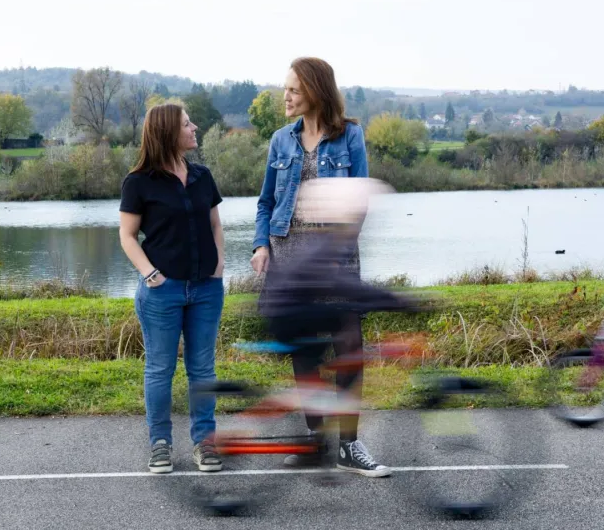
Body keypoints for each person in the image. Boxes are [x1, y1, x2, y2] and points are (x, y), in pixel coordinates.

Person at [250, 57, 386, 475]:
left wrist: (335, 249)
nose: (285, 96)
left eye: (293, 89)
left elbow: (358, 201)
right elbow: (266, 202)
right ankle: (315, 440)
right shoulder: (281, 140)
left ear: (314, 90)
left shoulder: (350, 136)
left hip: (335, 260)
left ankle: (349, 445)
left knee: (349, 349)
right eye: (286, 88)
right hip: (289, 259)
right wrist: (261, 245)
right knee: (305, 351)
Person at [260, 178, 422, 477]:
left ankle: (333, 444)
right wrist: (400, 301)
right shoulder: (324, 246)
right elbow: (349, 287)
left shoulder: (326, 241)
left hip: (298, 310)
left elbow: (345, 286)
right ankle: (320, 441)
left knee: (342, 352)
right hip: (289, 316)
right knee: (333, 356)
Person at [119, 103, 225, 474]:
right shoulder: (138, 182)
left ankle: (205, 443)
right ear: (168, 132)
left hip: (206, 290)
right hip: (161, 292)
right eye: (187, 124)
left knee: (203, 369)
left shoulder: (202, 176)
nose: (194, 128)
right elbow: (127, 236)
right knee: (160, 369)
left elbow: (215, 225)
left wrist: (219, 266)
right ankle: (160, 444)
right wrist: (150, 274)